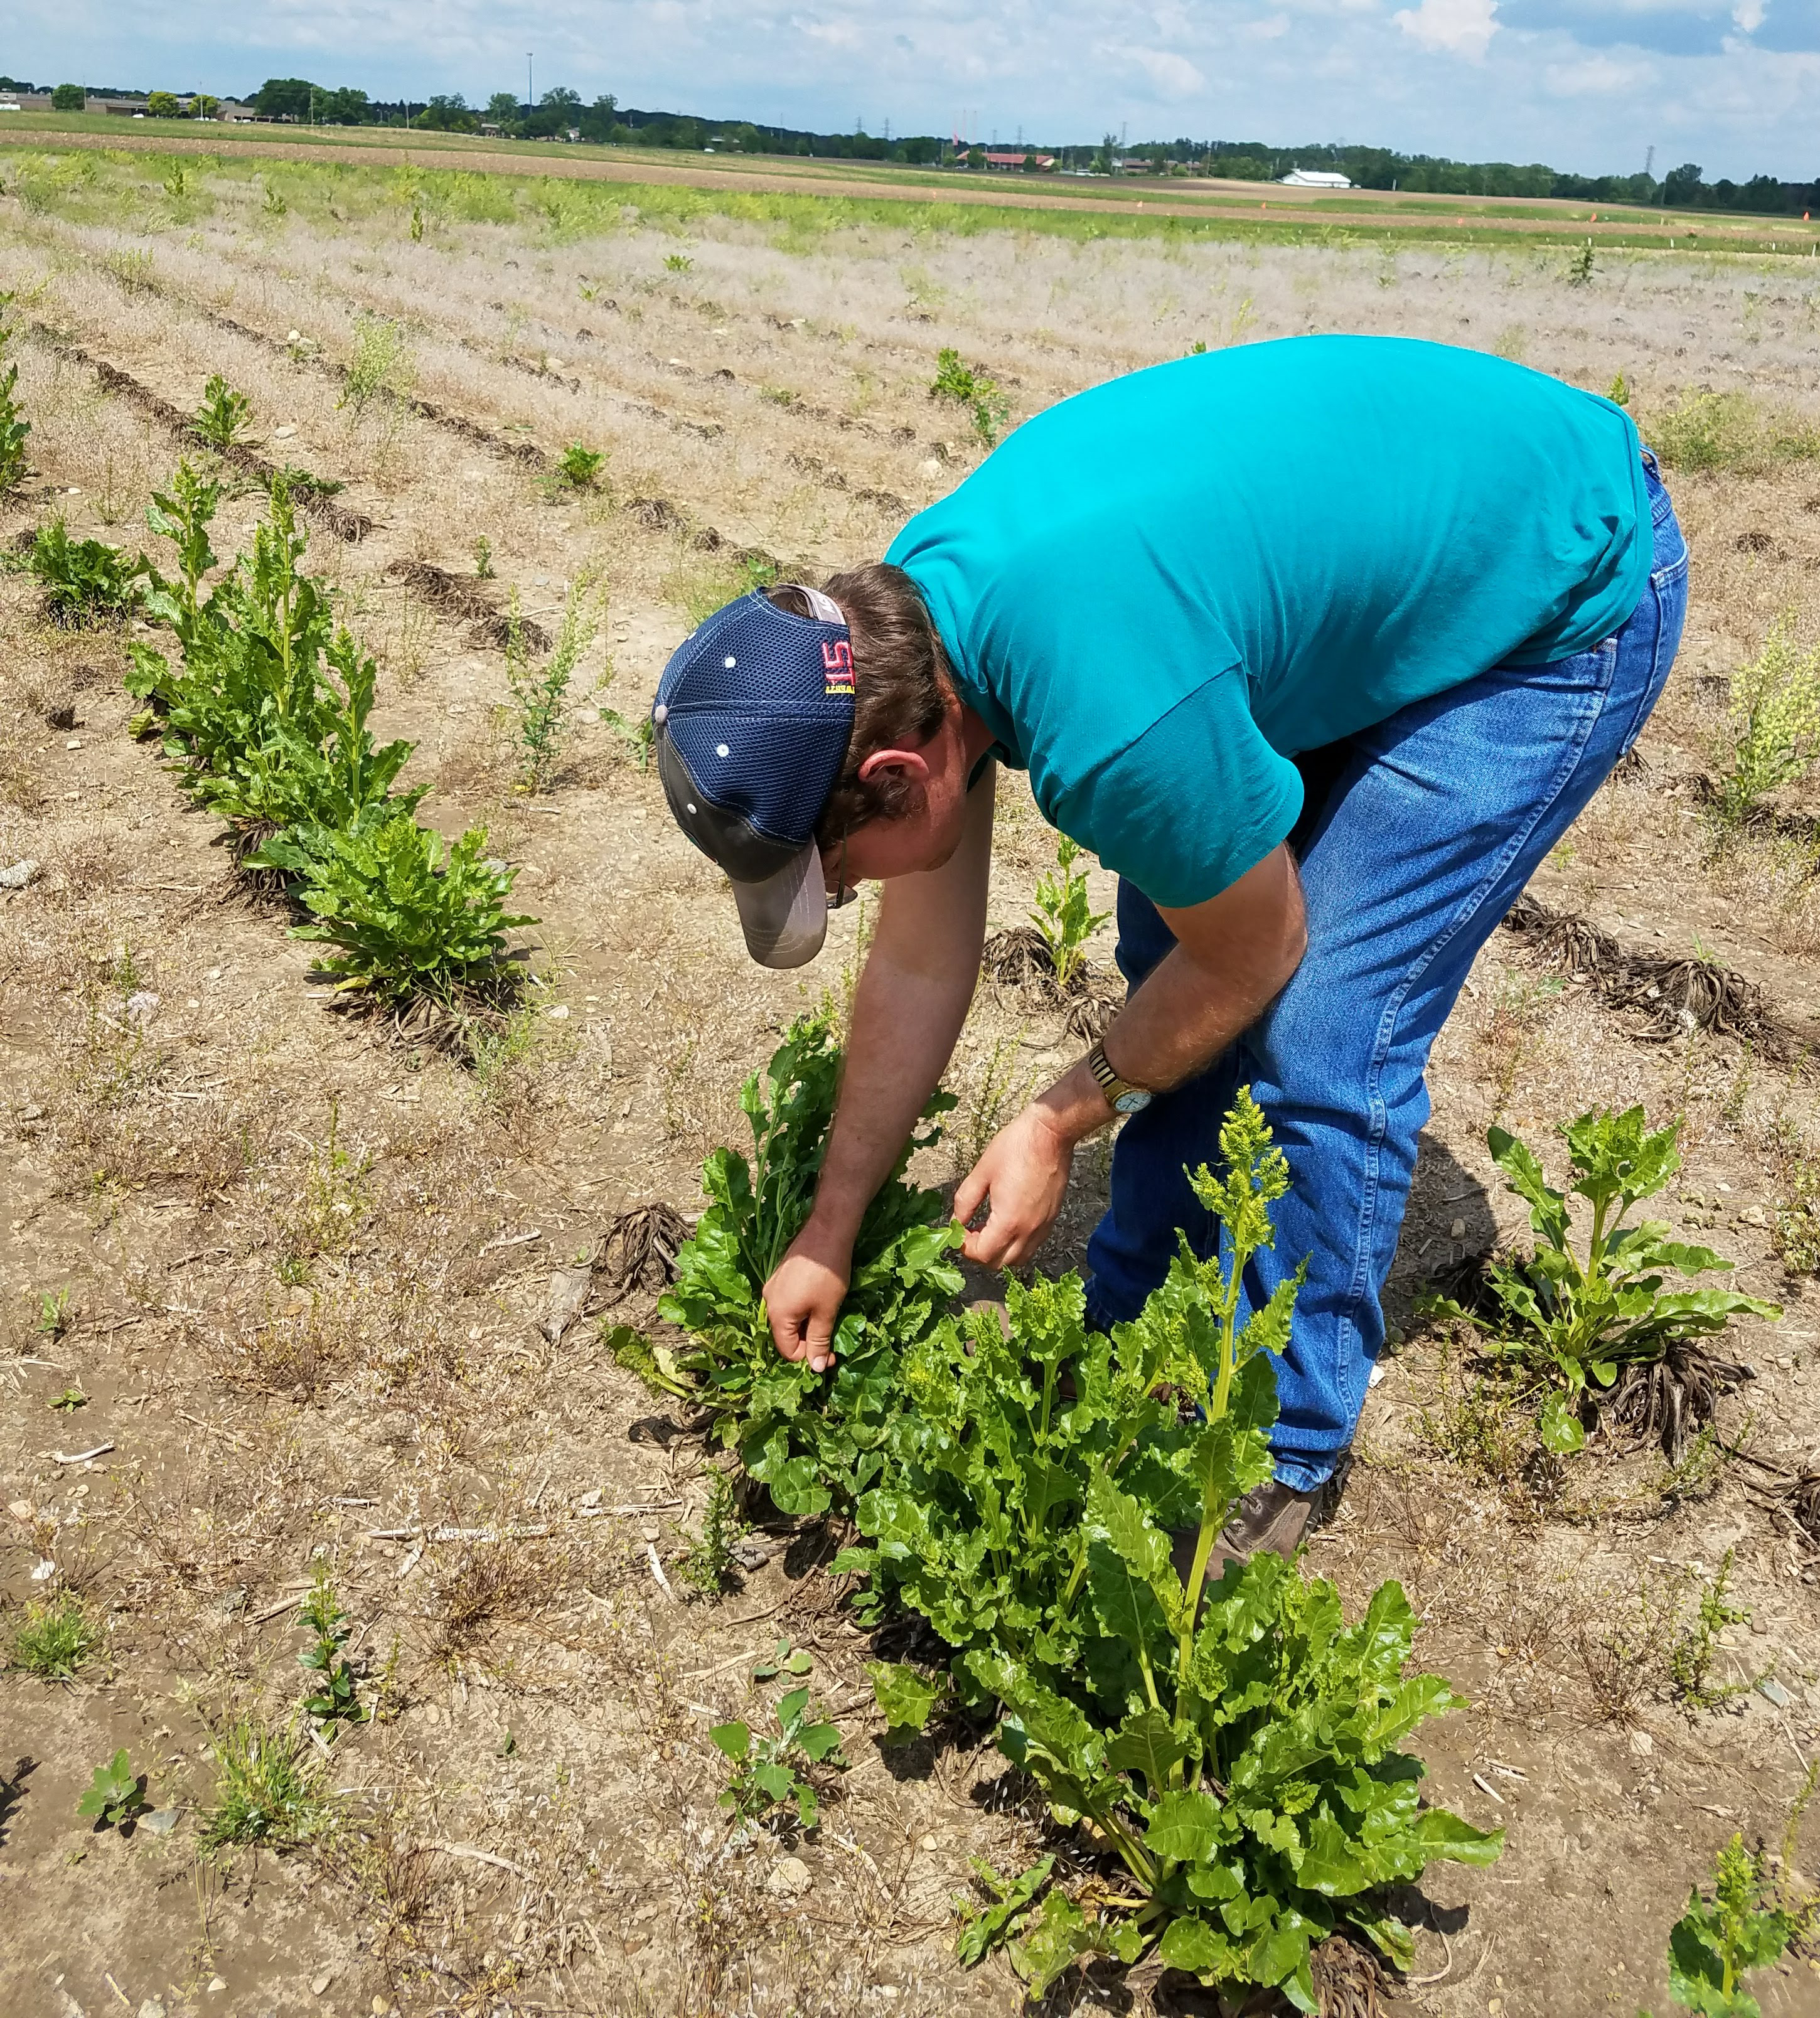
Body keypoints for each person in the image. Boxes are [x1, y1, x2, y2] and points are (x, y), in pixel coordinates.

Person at [650, 334, 1686, 1564]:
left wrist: (1052, 1121)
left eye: (843, 869)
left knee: (1317, 1026)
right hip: (1356, 550)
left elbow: (1252, 954)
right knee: (1177, 952)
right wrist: (828, 1229)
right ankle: (1136, 1326)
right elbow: (926, 966)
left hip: (1553, 585)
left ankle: (1274, 1450)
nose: (859, 892)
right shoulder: (914, 643)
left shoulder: (1110, 718)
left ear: (891, 775)